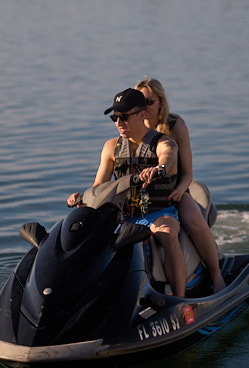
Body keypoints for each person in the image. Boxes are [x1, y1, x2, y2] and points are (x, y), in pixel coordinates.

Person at [67, 88, 187, 297]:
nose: (118, 122)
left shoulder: (163, 143)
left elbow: (168, 157)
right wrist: (82, 200)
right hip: (124, 218)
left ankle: (179, 299)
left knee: (167, 234)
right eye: (115, 117)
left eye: (124, 117)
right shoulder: (111, 147)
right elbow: (99, 187)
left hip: (158, 214)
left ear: (143, 114)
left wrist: (159, 168)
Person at [135, 78, 226, 294]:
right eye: (140, 103)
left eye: (149, 102)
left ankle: (216, 275)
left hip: (176, 190)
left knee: (193, 220)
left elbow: (187, 173)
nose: (144, 107)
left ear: (160, 102)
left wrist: (178, 190)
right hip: (145, 196)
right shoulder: (132, 128)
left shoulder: (175, 127)